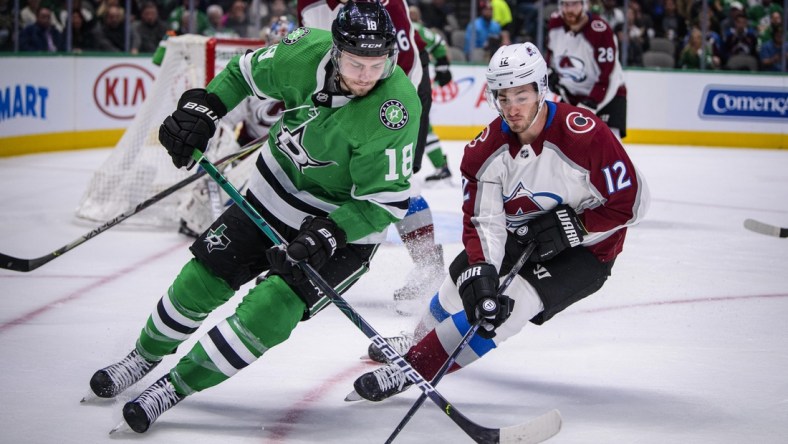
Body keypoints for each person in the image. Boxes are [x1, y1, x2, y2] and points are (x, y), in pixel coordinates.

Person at [85, 1, 421, 433]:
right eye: (356, 63)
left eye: (377, 65)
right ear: (336, 51)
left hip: (341, 227)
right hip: (271, 193)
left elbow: (384, 204)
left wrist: (329, 235)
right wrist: (204, 108)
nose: (365, 76)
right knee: (200, 280)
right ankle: (141, 357)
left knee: (271, 308)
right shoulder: (302, 51)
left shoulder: (395, 110)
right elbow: (242, 74)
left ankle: (175, 386)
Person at [349, 42, 650, 402]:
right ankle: (416, 339)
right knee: (462, 284)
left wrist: (577, 226)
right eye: (503, 98)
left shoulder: (586, 137)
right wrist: (483, 272)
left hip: (587, 252)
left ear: (541, 89)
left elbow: (632, 203)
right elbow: (485, 221)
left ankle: (410, 368)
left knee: (506, 312)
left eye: (521, 95)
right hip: (521, 235)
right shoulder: (484, 151)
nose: (512, 108)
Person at [298, 0, 447, 313]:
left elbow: (403, 65)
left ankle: (429, 266)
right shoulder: (309, 4)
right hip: (344, 86)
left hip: (398, 90)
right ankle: (308, 254)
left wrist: (363, 106)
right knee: (323, 169)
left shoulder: (386, 4)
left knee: (397, 181)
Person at [546, 0, 628, 139]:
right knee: (562, 148)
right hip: (571, 97)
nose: (569, 9)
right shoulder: (555, 24)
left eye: (574, 4)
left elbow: (608, 76)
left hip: (608, 97)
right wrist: (551, 72)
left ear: (584, 5)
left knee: (611, 149)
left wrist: (592, 103)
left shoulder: (601, 31)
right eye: (565, 4)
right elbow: (551, 55)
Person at [409, 4, 453, 182]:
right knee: (422, 125)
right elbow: (439, 43)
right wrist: (442, 67)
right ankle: (440, 165)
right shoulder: (417, 28)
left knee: (421, 126)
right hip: (417, 85)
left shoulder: (413, 28)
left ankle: (439, 165)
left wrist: (442, 67)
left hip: (409, 85)